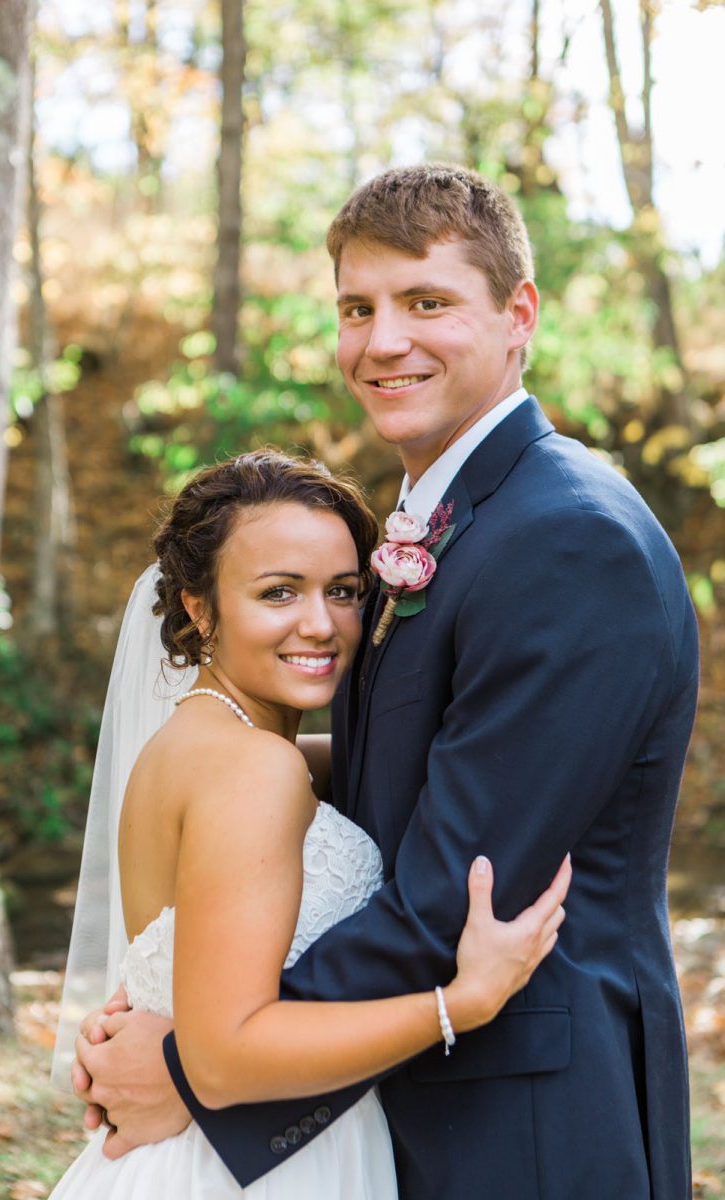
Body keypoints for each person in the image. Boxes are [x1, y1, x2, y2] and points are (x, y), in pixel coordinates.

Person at [73, 165, 699, 1200]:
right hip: (408, 1102)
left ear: (517, 315)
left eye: (426, 303)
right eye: (356, 309)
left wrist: (194, 1066)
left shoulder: (566, 541)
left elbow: (452, 896)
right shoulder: (438, 526)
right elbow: (413, 768)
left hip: (525, 1117)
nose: (382, 342)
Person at [52, 449, 569, 1199]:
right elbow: (224, 1059)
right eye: (278, 593)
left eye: (344, 591)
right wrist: (460, 1005)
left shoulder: (204, 743)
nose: (320, 625)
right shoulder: (253, 772)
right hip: (248, 1166)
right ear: (201, 608)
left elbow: (376, 764)